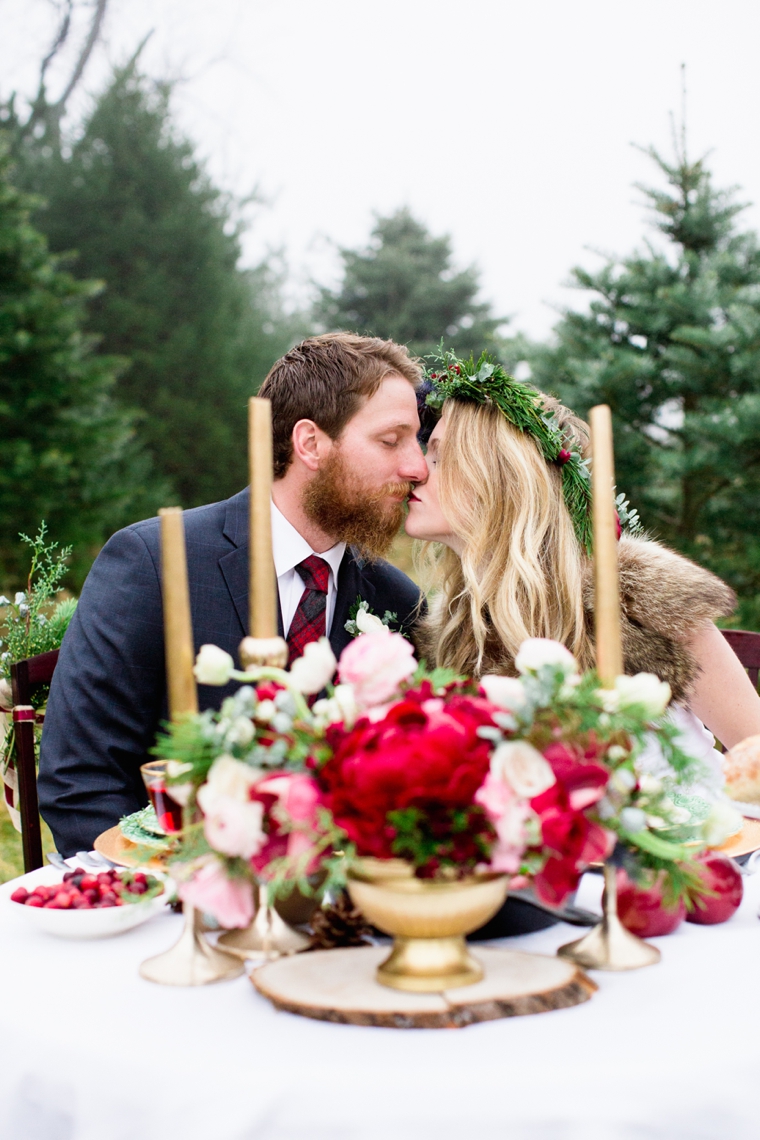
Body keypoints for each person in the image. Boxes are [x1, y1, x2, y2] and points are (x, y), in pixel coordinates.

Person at [40, 333, 428, 857]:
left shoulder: (397, 603)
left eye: (417, 441)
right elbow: (80, 781)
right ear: (310, 443)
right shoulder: (153, 562)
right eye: (391, 440)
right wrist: (189, 895)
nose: (417, 467)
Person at [405, 352, 760, 751]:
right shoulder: (452, 626)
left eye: (438, 456)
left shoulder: (638, 598)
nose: (417, 470)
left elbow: (756, 753)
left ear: (500, 482)